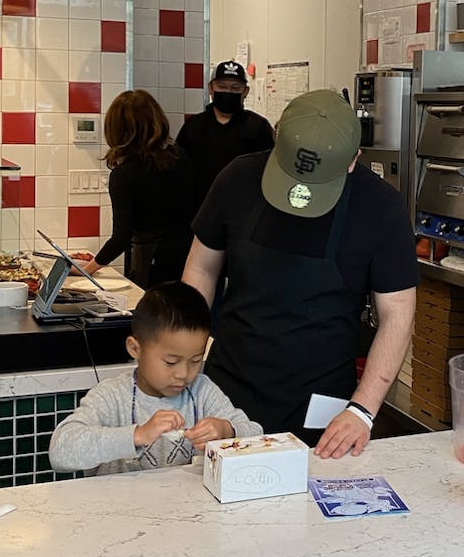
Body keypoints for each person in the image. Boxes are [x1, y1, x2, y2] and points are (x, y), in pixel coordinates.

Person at [183, 89, 418, 459]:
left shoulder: (381, 208)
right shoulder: (238, 178)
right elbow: (201, 267)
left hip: (322, 403)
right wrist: (187, 355)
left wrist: (362, 410)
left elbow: (398, 312)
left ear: (353, 160)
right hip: (226, 390)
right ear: (276, 140)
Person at [48, 281, 262, 475]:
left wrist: (227, 430)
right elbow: (60, 452)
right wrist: (137, 435)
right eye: (171, 362)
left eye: (196, 360)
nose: (184, 374)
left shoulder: (202, 391)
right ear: (135, 349)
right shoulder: (111, 396)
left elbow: (257, 435)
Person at [78, 91, 195, 289]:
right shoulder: (180, 158)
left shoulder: (124, 175)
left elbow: (121, 237)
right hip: (189, 257)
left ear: (116, 130)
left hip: (150, 262)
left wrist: (86, 269)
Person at [176, 60, 274, 209]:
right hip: (198, 212)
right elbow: (179, 172)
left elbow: (269, 173)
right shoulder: (193, 127)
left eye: (235, 88)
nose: (228, 92)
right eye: (222, 86)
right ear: (211, 88)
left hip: (244, 212)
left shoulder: (259, 128)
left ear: (245, 91)